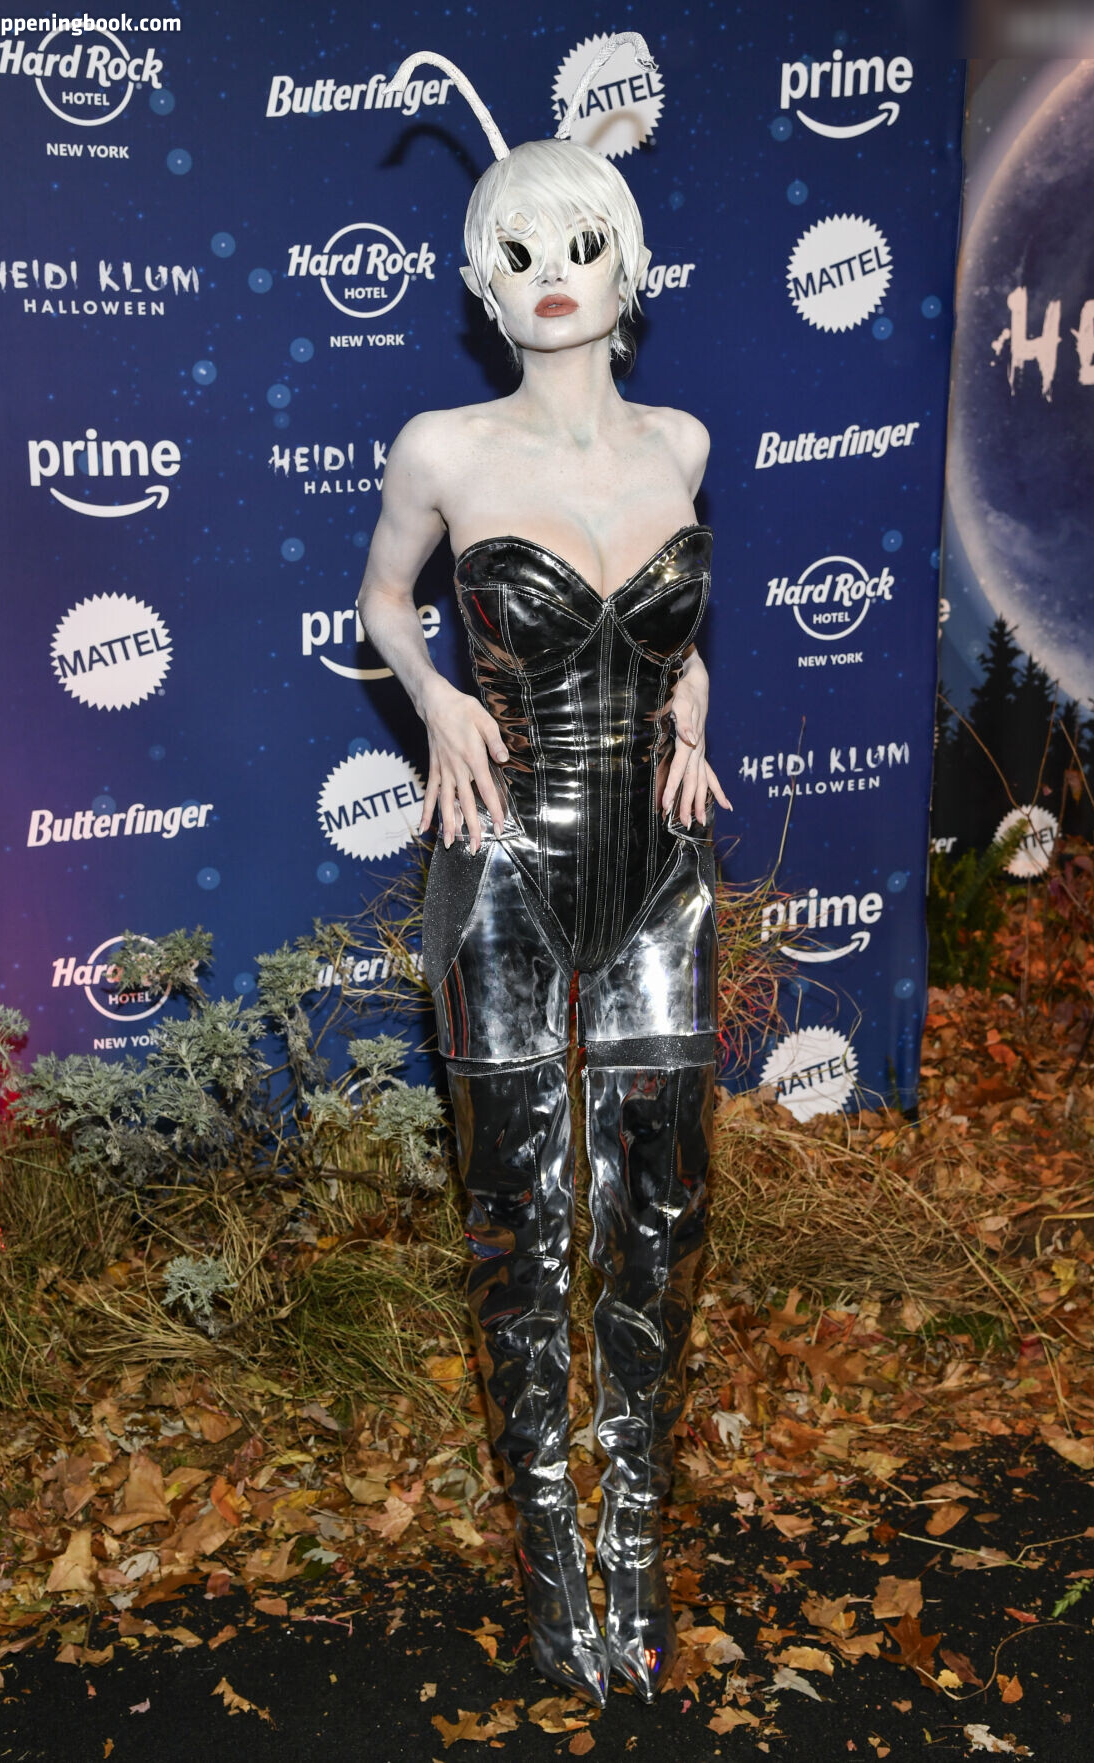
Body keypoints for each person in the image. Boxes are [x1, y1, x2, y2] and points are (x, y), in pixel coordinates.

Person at [356, 36, 730, 1707]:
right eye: (518, 252)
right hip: (499, 863)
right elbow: (383, 600)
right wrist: (435, 696)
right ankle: (552, 1563)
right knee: (521, 1224)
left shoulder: (686, 443)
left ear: (626, 262)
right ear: (481, 283)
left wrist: (693, 708)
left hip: (661, 871)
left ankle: (638, 1537)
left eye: (580, 243)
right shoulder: (443, 446)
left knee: (663, 1211)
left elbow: (677, 634)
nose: (552, 275)